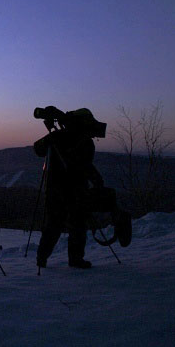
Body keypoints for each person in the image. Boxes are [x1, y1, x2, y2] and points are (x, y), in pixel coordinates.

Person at [33, 108, 105, 269]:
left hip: (56, 189)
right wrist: (96, 179)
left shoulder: (59, 136)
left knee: (54, 224)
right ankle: (75, 259)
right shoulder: (86, 141)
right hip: (77, 188)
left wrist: (49, 141)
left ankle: (42, 258)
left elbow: (37, 149)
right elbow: (86, 164)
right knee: (77, 224)